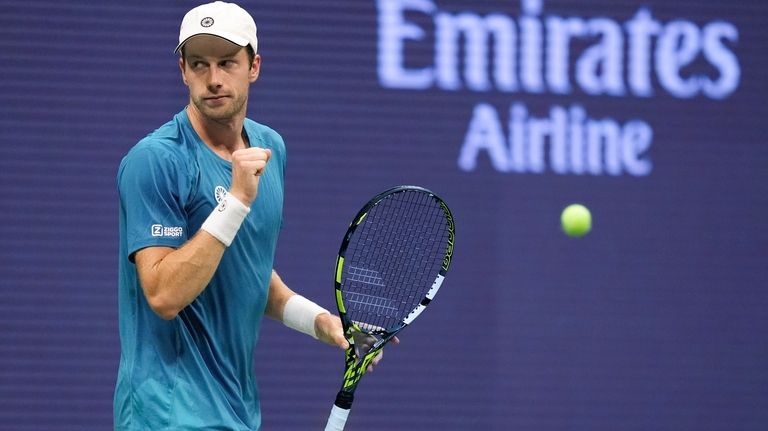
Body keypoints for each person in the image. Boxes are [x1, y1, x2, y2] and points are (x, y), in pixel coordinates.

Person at [113, 2, 388, 429]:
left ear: (253, 66)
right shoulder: (155, 161)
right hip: (166, 415)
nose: (214, 79)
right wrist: (237, 200)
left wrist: (327, 325)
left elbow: (249, 273)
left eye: (227, 62)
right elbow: (163, 295)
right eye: (199, 64)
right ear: (183, 70)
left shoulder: (268, 149)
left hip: (238, 413)